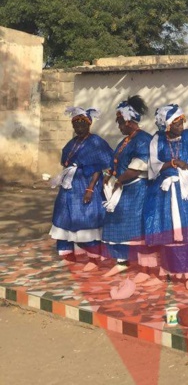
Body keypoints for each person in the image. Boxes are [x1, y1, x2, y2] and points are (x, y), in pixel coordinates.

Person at [143, 104, 188, 290]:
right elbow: (154, 165)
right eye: (176, 122)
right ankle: (169, 270)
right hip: (165, 191)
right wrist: (172, 163)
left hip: (186, 189)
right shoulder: (158, 139)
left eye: (182, 121)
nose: (181, 125)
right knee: (169, 230)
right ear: (166, 125)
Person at [49, 106, 113, 269]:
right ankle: (68, 252)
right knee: (64, 214)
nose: (79, 128)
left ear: (89, 124)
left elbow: (100, 167)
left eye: (82, 124)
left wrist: (91, 188)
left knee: (86, 216)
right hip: (70, 185)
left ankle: (93, 257)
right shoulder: (72, 143)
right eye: (76, 125)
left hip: (86, 185)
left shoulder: (96, 142)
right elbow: (66, 162)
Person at [101, 96, 153, 280]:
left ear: (130, 122)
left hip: (138, 191)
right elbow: (115, 162)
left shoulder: (143, 139)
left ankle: (146, 269)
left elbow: (138, 166)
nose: (119, 126)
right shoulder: (124, 141)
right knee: (118, 226)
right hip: (123, 190)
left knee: (138, 229)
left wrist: (118, 181)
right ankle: (121, 262)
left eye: (120, 122)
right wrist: (109, 175)